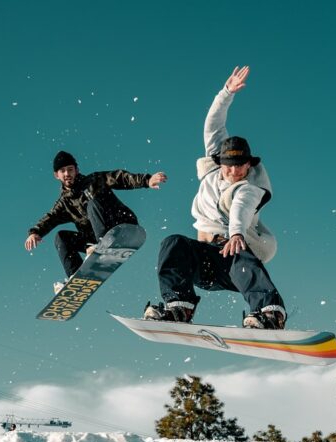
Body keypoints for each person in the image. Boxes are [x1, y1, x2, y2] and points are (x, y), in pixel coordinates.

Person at [144, 66, 286, 329]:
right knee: (173, 243)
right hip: (202, 262)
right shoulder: (213, 172)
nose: (234, 172)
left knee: (238, 252)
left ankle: (269, 313)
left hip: (232, 265)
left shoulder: (249, 187)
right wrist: (226, 93)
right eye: (229, 165)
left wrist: (236, 234)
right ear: (220, 162)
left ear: (249, 165)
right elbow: (213, 124)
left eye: (240, 166)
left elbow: (241, 209)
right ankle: (179, 306)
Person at [25, 151, 167, 290]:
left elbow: (120, 177)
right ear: (57, 175)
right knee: (61, 237)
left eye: (70, 169)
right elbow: (50, 218)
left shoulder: (94, 180)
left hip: (122, 223)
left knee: (92, 203)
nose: (67, 174)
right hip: (95, 240)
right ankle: (75, 277)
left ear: (77, 170)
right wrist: (35, 232)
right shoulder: (64, 204)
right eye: (63, 171)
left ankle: (101, 244)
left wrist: (146, 180)